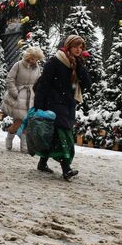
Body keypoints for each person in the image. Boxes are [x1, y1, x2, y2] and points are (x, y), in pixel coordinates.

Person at [33, 35, 92, 181]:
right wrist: (38, 106)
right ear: (68, 46)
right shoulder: (55, 61)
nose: (78, 50)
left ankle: (42, 162)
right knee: (63, 134)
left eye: (81, 47)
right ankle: (66, 169)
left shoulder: (76, 63)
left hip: (69, 103)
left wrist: (79, 66)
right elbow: (43, 85)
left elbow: (87, 84)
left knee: (54, 135)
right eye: (75, 47)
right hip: (54, 103)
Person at [1, 46, 44, 152]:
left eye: (37, 59)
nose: (36, 61)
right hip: (19, 97)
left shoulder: (37, 67)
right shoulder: (18, 65)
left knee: (29, 122)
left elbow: (38, 81)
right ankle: (9, 138)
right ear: (29, 56)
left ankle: (24, 146)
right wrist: (15, 92)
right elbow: (10, 78)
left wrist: (38, 93)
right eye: (34, 58)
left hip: (31, 98)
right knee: (19, 121)